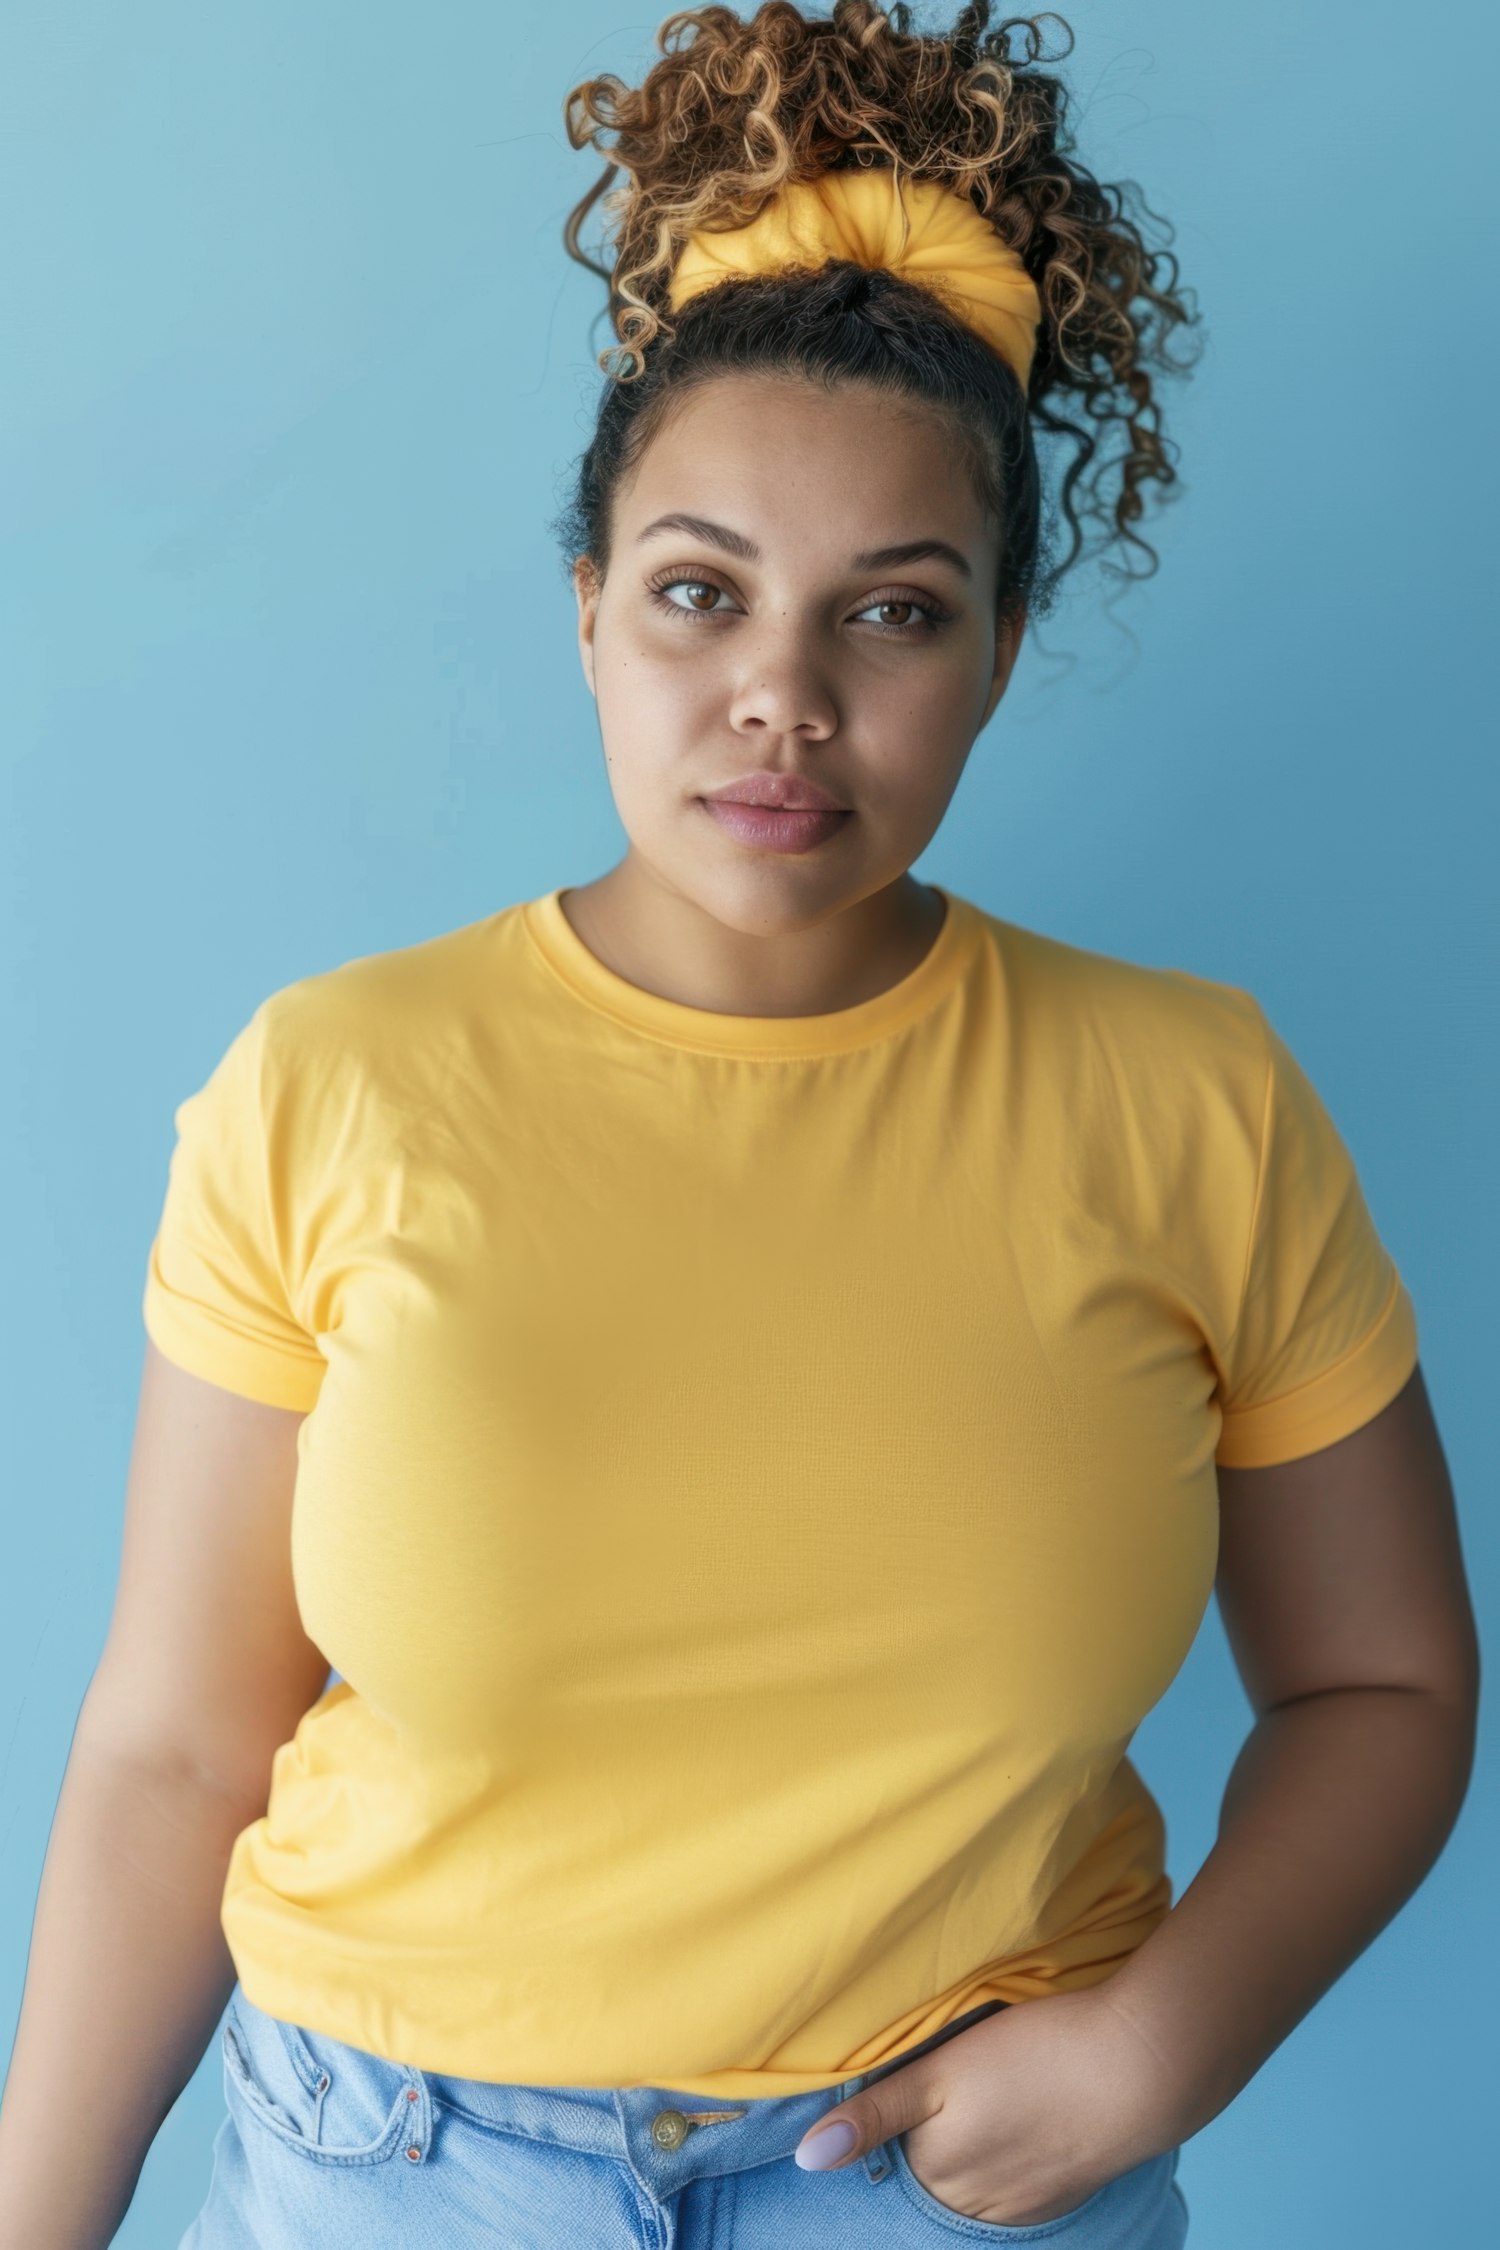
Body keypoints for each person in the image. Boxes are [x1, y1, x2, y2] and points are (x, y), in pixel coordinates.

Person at [0, 4, 1478, 2246]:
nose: (784, 694)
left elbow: (1380, 1678)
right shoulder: (335, 1084)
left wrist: (1169, 2043)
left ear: (993, 655)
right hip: (387, 2174)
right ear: (593, 615)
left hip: (965, 2187)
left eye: (895, 614)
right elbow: (175, 1749)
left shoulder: (1194, 1100)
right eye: (701, 592)